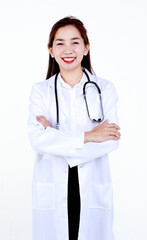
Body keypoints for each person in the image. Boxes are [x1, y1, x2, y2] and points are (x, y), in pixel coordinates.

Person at [27, 16, 120, 240]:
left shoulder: (105, 89)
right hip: (53, 184)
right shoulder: (41, 91)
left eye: (75, 42)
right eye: (60, 43)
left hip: (91, 185)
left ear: (86, 48)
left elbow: (111, 140)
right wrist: (89, 136)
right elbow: (37, 140)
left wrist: (56, 138)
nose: (68, 50)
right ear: (51, 50)